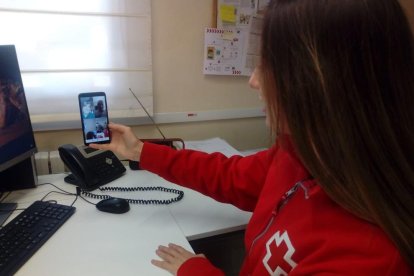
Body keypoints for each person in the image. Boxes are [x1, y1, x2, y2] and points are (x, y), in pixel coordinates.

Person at [91, 0, 414, 274]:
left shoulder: (369, 258)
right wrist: (140, 152)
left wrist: (198, 270)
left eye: (268, 65)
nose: (254, 81)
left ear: (323, 80)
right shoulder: (302, 154)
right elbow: (230, 176)